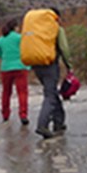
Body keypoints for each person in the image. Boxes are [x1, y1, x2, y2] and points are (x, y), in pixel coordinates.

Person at [34, 8, 73, 139]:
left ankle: (59, 122)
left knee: (52, 92)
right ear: (57, 17)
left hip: (36, 64)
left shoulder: (37, 29)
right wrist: (69, 66)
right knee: (50, 95)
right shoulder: (56, 28)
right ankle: (42, 124)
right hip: (50, 65)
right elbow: (64, 48)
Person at [0, 18, 31, 126]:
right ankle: (23, 115)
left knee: (6, 92)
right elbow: (26, 50)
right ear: (15, 27)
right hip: (20, 66)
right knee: (22, 92)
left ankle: (5, 115)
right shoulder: (20, 38)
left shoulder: (0, 40)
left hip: (6, 68)